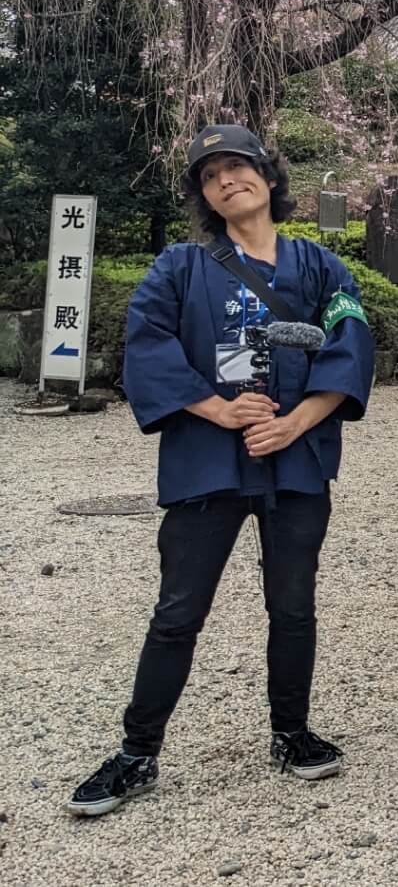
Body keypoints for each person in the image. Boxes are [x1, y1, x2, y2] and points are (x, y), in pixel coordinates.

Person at [69, 126, 374, 817]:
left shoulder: (320, 266)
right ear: (204, 195)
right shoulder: (178, 266)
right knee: (179, 610)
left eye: (239, 166)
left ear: (269, 177)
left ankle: (291, 732)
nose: (227, 180)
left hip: (296, 458)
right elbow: (146, 346)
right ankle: (137, 752)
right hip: (208, 458)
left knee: (293, 606)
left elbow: (350, 341)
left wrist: (295, 422)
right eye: (211, 176)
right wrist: (218, 410)